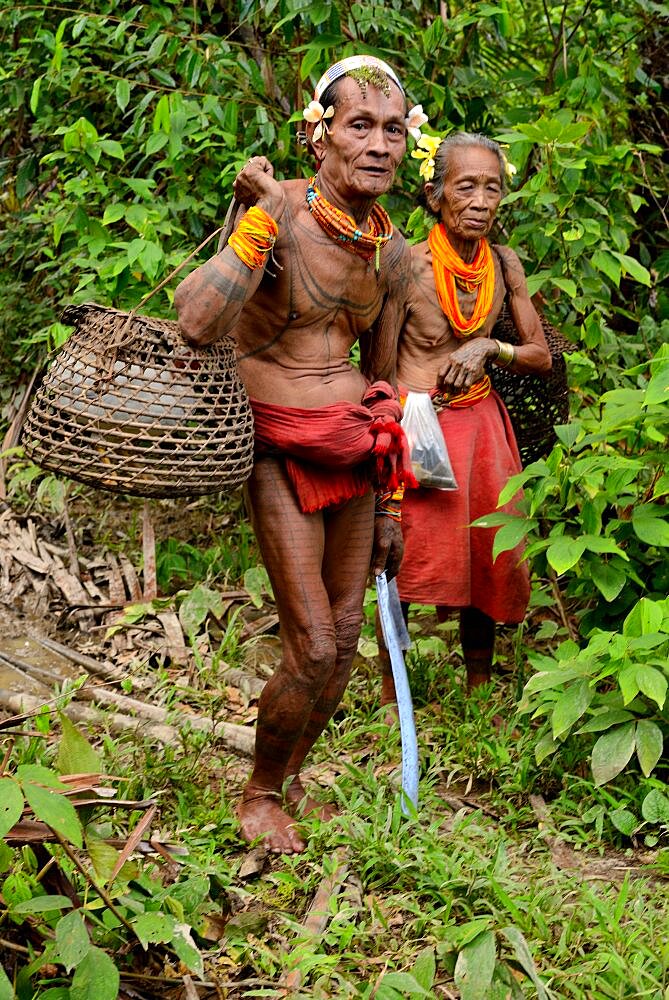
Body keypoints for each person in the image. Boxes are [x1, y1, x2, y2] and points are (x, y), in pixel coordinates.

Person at [174, 56, 422, 853]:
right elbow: (197, 322)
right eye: (358, 126)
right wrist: (256, 228)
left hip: (355, 450)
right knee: (312, 642)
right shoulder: (277, 209)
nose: (378, 145)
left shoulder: (393, 253)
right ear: (318, 138)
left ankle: (284, 777)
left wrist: (390, 503)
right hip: (277, 447)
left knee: (345, 640)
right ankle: (257, 792)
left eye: (391, 130)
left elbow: (384, 378)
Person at [378, 132, 552, 706]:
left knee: (487, 555)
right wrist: (389, 429)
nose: (480, 201)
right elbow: (378, 366)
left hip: (481, 425)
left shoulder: (504, 263)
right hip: (417, 422)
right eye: (466, 187)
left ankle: (479, 686)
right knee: (402, 552)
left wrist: (488, 348)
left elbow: (539, 356)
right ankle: (390, 691)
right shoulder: (405, 265)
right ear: (435, 197)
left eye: (492, 188)